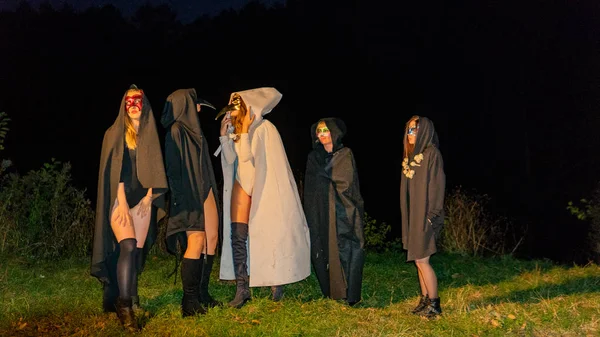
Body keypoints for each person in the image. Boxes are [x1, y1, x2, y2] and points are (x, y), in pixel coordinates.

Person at [214, 87, 311, 308]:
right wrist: (224, 136)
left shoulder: (265, 128)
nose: (232, 112)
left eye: (236, 108)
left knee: (268, 231)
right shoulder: (237, 131)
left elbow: (250, 157)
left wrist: (246, 130)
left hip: (263, 187)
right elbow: (231, 159)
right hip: (242, 184)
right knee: (238, 234)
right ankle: (242, 288)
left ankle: (275, 280)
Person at [91, 85, 167, 331]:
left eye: (139, 100)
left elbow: (154, 168)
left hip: (142, 200)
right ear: (124, 105)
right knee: (128, 245)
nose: (134, 105)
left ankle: (131, 295)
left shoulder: (150, 134)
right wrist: (121, 202)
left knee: (136, 253)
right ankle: (124, 307)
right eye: (130, 101)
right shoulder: (115, 133)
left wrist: (149, 197)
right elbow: (116, 173)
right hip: (119, 198)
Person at [161, 88, 222, 317]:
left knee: (212, 238)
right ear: (185, 105)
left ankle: (203, 293)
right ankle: (190, 301)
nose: (198, 109)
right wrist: (180, 199)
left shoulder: (195, 132)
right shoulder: (176, 131)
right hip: (188, 195)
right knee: (195, 240)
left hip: (205, 189)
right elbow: (172, 171)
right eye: (195, 104)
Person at [303, 118, 365, 306]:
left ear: (334, 132)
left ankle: (349, 292)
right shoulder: (314, 158)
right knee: (323, 246)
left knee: (347, 245)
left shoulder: (345, 154)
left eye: (325, 130)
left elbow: (349, 183)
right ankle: (331, 290)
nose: (322, 134)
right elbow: (311, 187)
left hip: (344, 208)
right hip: (321, 210)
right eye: (319, 131)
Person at [400, 115, 445, 319]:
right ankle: (425, 299)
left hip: (425, 217)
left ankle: (435, 305)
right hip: (413, 217)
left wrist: (431, 216)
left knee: (423, 260)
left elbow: (437, 185)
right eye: (409, 130)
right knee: (418, 261)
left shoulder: (431, 154)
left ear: (425, 132)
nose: (411, 134)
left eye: (415, 130)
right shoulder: (410, 158)